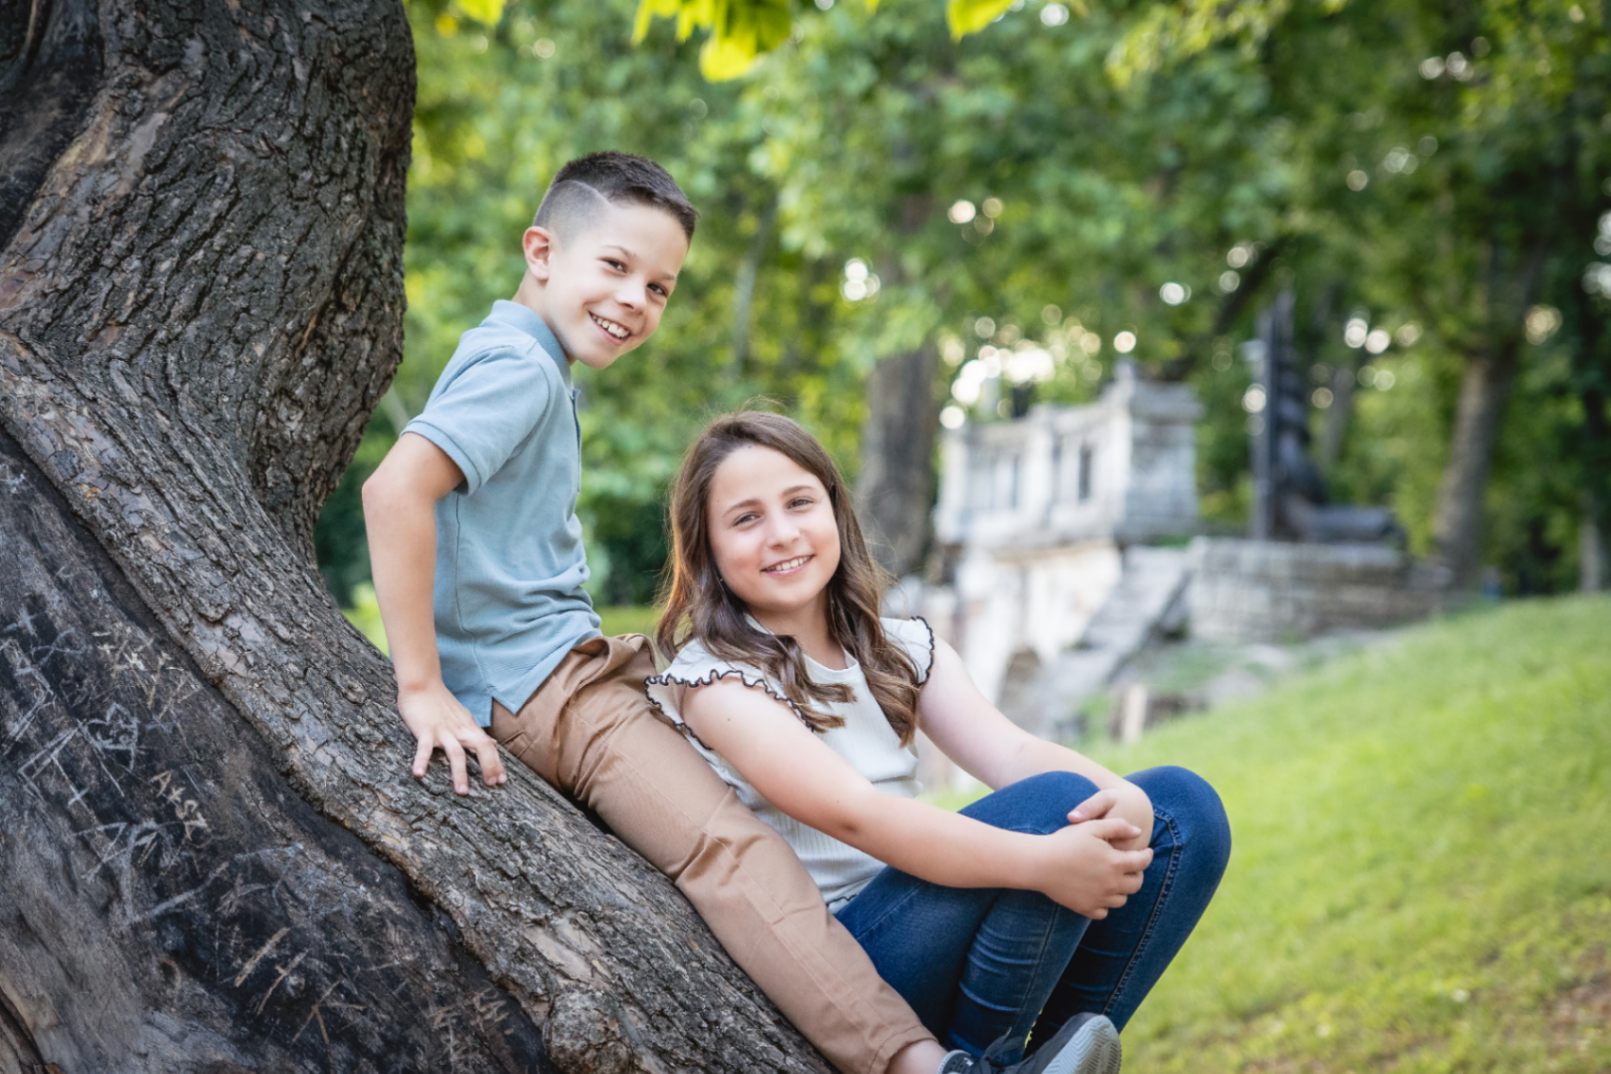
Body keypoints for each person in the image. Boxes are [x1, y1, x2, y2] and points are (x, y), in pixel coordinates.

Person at [362, 152, 944, 1074]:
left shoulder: (524, 360)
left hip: (560, 672)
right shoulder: (518, 366)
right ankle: (915, 1062)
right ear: (541, 250)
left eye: (659, 286)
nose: (635, 300)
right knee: (730, 849)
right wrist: (423, 686)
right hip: (551, 689)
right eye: (616, 266)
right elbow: (395, 492)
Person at [647, 411, 1233, 1073]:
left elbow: (1010, 753)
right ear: (709, 549)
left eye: (798, 503)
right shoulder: (716, 680)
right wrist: (1040, 862)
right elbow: (855, 815)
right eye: (745, 518)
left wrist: (1119, 794)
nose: (781, 534)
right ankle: (980, 1061)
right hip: (842, 958)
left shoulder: (900, 648)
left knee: (1180, 809)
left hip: (930, 920)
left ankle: (1045, 1062)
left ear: (836, 513)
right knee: (1051, 813)